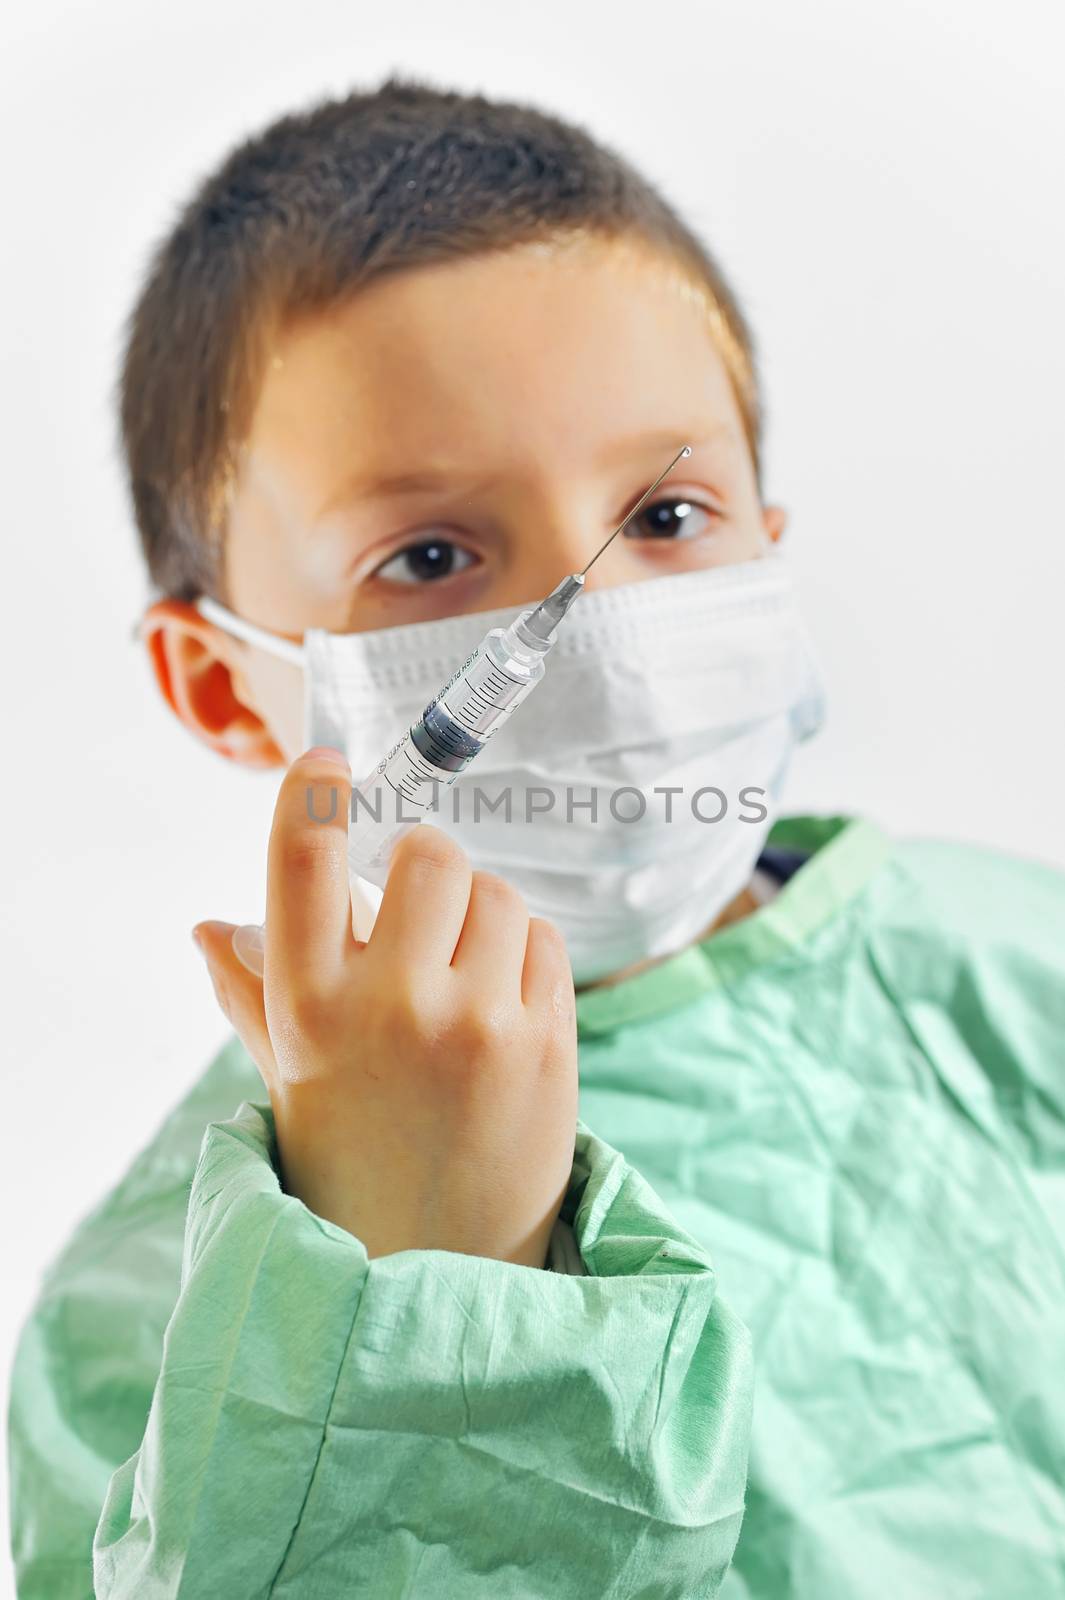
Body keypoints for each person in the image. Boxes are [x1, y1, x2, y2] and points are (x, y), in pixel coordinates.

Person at [8, 75, 1065, 1600]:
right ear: (223, 688)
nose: (610, 634)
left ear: (772, 539)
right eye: (429, 555)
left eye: (668, 515)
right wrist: (422, 1286)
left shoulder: (1011, 964)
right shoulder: (161, 1330)